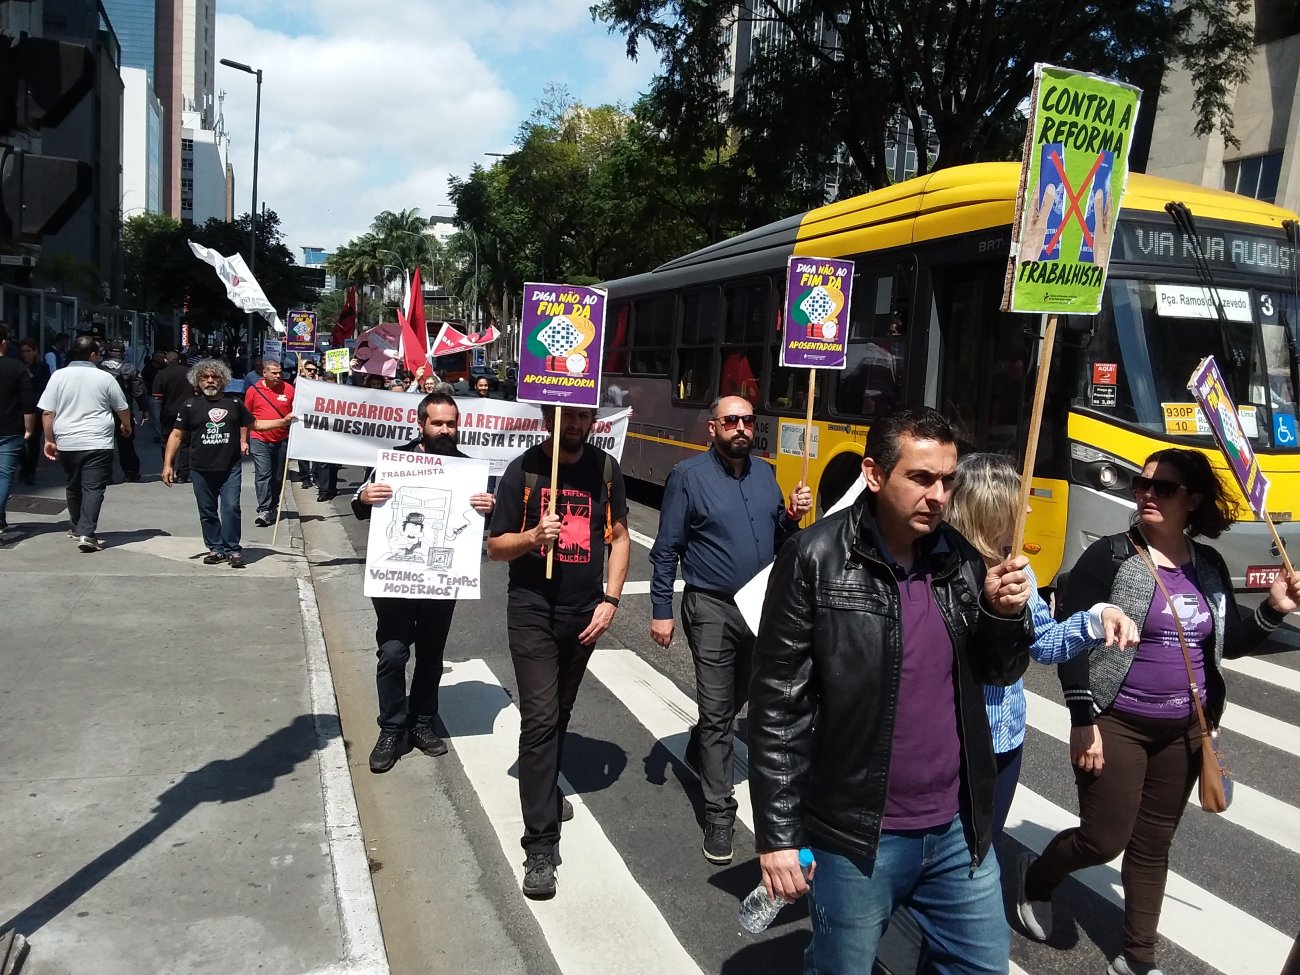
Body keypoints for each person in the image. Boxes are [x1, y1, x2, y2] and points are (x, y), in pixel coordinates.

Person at [749, 407, 1033, 974]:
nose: (938, 495)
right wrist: (778, 837)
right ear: (875, 475)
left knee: (981, 967)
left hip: (957, 830)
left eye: (948, 480)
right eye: (921, 478)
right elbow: (779, 703)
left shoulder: (960, 559)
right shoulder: (815, 557)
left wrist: (1003, 616)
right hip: (857, 835)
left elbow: (998, 672)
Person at [1017, 448, 1300, 975]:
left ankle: (1138, 959)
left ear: (1191, 501)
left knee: (1153, 845)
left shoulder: (1207, 566)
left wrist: (1272, 609)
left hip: (1184, 730)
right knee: (1104, 838)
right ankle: (1037, 879)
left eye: (1162, 488)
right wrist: (1083, 721)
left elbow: (1225, 642)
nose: (1146, 494)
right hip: (1116, 721)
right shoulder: (1109, 557)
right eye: (1141, 484)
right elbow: (1070, 640)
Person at [649, 395, 812, 863]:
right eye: (732, 421)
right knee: (719, 711)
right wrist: (661, 607)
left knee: (741, 697)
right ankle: (719, 813)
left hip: (760, 607)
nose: (741, 428)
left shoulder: (766, 473)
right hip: (712, 608)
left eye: (748, 421)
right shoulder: (687, 478)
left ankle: (703, 742)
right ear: (713, 428)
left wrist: (792, 517)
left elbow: (780, 538)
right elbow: (666, 549)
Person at [945, 452, 1138, 841]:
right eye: (1019, 501)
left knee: (984, 846)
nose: (1029, 508)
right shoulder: (941, 570)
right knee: (949, 856)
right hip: (954, 741)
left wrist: (1095, 620)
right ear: (990, 506)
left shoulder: (1018, 569)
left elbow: (1045, 644)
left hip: (1007, 738)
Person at [488, 405, 630, 900]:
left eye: (583, 418)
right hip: (532, 611)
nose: (574, 425)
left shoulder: (605, 470)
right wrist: (531, 537)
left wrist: (610, 601)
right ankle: (540, 846)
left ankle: (545, 786)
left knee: (561, 710)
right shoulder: (523, 470)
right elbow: (495, 546)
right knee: (541, 717)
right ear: (549, 418)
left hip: (583, 613)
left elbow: (619, 537)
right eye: (565, 417)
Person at [352, 391, 495, 771]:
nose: (445, 430)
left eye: (451, 423)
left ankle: (421, 723)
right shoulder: (395, 460)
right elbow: (358, 503)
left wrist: (490, 509)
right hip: (395, 584)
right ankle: (391, 728)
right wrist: (366, 495)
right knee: (394, 654)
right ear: (421, 424)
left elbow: (489, 524)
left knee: (431, 657)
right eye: (438, 423)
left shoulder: (469, 471)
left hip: (441, 584)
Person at [161, 359, 263, 568]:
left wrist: (285, 421)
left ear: (223, 380)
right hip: (200, 468)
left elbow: (256, 425)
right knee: (207, 511)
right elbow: (177, 435)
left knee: (231, 507)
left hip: (230, 468)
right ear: (197, 381)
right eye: (205, 377)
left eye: (215, 377)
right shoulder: (189, 405)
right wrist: (168, 464)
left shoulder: (234, 404)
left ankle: (232, 549)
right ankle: (216, 548)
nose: (210, 381)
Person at [37, 336, 131, 552]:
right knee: (93, 487)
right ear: (92, 355)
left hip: (67, 439)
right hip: (98, 440)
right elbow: (122, 407)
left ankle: (76, 525)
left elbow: (48, 412)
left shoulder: (58, 376)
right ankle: (86, 532)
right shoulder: (104, 377)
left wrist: (49, 439)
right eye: (99, 353)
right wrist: (126, 425)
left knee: (73, 483)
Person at [243, 358, 297, 526]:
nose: (278, 376)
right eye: (274, 373)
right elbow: (245, 418)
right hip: (259, 439)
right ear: (264, 373)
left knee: (277, 476)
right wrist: (243, 441)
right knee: (263, 474)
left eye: (280, 372)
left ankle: (273, 506)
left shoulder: (289, 389)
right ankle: (264, 509)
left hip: (281, 439)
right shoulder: (253, 391)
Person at [0, 325, 36, 531]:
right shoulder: (17, 368)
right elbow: (27, 401)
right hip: (9, 427)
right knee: (4, 474)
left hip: (9, 428)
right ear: (4, 342)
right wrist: (29, 429)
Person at [98, 343, 150, 482]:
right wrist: (144, 409)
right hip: (123, 410)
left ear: (108, 352)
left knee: (103, 443)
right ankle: (130, 472)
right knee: (126, 443)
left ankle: (105, 474)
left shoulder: (98, 366)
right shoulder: (129, 367)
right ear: (122, 352)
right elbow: (138, 391)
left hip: (101, 410)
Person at [154, 352, 196, 483]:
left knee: (166, 440)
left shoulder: (162, 374)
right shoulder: (189, 373)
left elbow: (157, 397)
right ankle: (183, 473)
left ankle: (168, 467)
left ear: (166, 360)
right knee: (186, 443)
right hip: (187, 411)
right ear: (179, 360)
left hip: (168, 412)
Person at [16, 338, 50, 485]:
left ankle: (31, 471)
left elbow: (45, 387)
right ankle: (24, 464)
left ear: (35, 352)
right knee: (19, 442)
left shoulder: (42, 368)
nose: (25, 354)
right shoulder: (17, 367)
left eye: (28, 351)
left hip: (36, 409)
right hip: (18, 409)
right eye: (22, 351)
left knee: (34, 442)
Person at [295, 359, 321, 489]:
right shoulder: (299, 383)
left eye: (314, 370)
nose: (311, 372)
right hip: (302, 421)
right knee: (303, 451)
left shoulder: (321, 384)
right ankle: (305, 478)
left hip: (317, 421)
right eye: (309, 370)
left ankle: (316, 477)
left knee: (316, 451)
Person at [141, 351, 166, 443]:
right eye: (161, 357)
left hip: (165, 395)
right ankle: (157, 435)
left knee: (164, 415)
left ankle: (164, 433)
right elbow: (143, 383)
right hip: (152, 396)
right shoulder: (148, 369)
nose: (163, 359)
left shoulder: (165, 368)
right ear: (155, 358)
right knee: (155, 416)